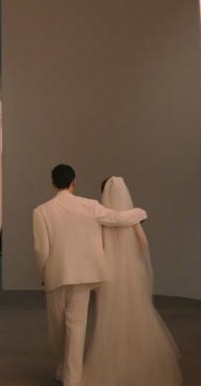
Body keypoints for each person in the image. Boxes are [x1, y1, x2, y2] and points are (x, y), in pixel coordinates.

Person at [32, 164, 147, 386]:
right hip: (85, 274)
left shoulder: (41, 211)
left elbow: (41, 249)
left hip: (56, 274)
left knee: (57, 328)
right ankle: (71, 377)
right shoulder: (90, 206)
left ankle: (66, 370)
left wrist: (44, 272)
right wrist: (141, 212)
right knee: (77, 326)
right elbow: (118, 218)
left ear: (53, 184)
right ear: (74, 182)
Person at [81, 176, 182, 386]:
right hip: (130, 274)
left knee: (110, 317)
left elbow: (96, 247)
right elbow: (143, 243)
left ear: (104, 194)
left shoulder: (102, 218)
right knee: (135, 314)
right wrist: (131, 259)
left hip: (109, 276)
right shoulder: (132, 217)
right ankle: (138, 361)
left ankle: (113, 361)